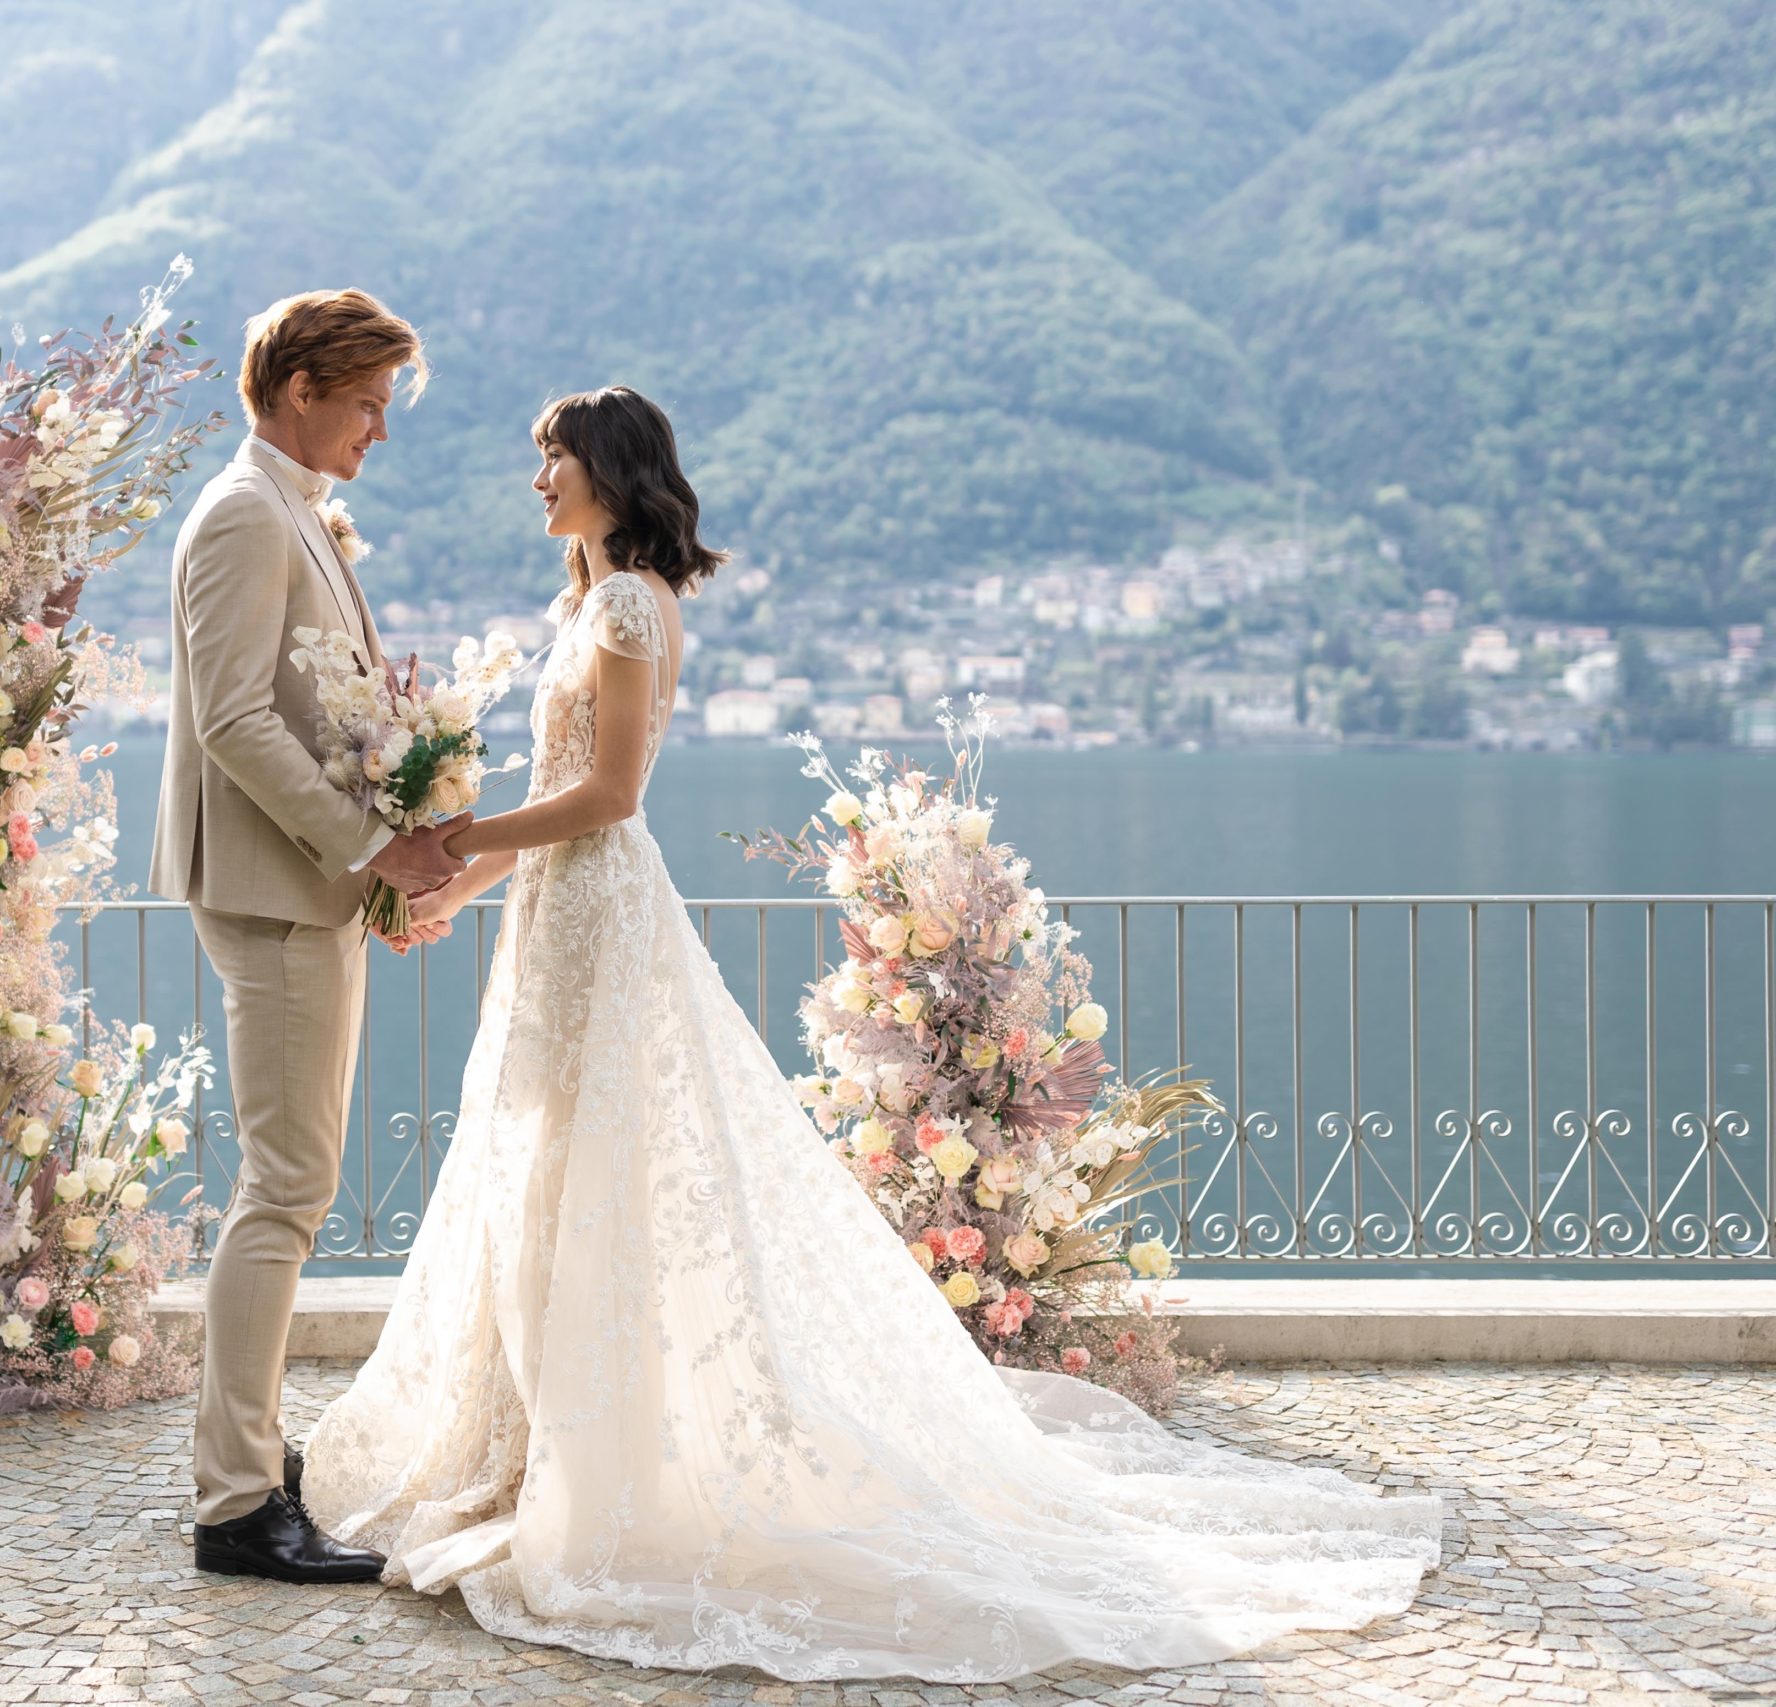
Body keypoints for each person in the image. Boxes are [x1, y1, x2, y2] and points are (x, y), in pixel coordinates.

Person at [300, 386, 1442, 1681]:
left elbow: (609, 798)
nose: (537, 478)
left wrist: (454, 841)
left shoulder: (626, 608)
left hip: (600, 922)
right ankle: (528, 1444)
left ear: (612, 471)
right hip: (558, 917)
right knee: (545, 1167)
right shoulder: (586, 606)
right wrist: (452, 883)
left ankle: (585, 1463)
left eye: (552, 457)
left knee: (595, 1168)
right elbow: (561, 807)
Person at [149, 288, 470, 1583]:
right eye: (367, 405)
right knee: (284, 1194)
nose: (378, 433)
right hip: (275, 891)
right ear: (298, 391)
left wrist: (381, 871)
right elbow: (232, 718)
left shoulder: (291, 513)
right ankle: (235, 1503)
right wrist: (370, 850)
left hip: (309, 888)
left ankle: (255, 1456)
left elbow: (323, 720)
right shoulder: (242, 514)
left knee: (289, 1188)